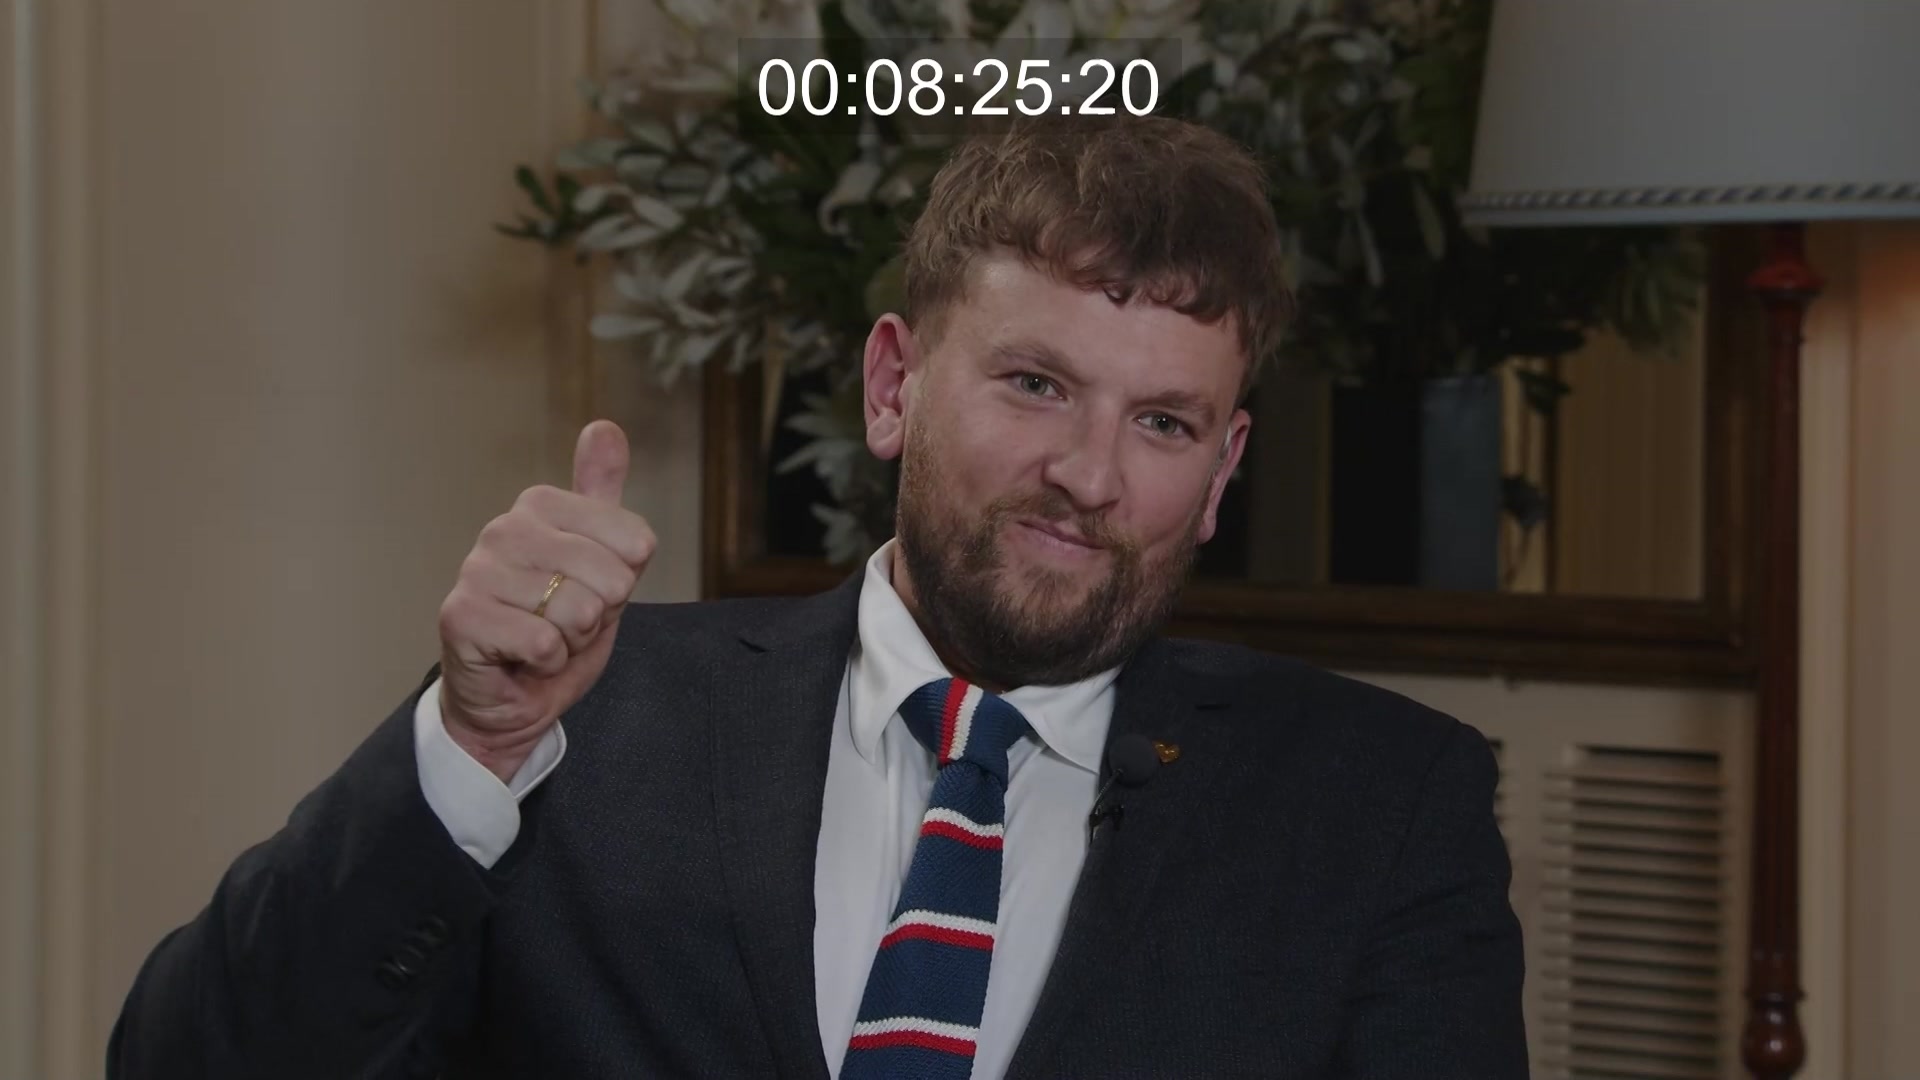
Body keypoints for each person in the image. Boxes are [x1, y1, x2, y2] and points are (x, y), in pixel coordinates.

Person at [109, 114, 1527, 1079]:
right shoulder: (578, 715)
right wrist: (470, 753)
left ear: (1222, 472)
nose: (1091, 477)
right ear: (893, 386)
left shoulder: (1386, 808)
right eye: (1036, 384)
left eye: (1163, 424)